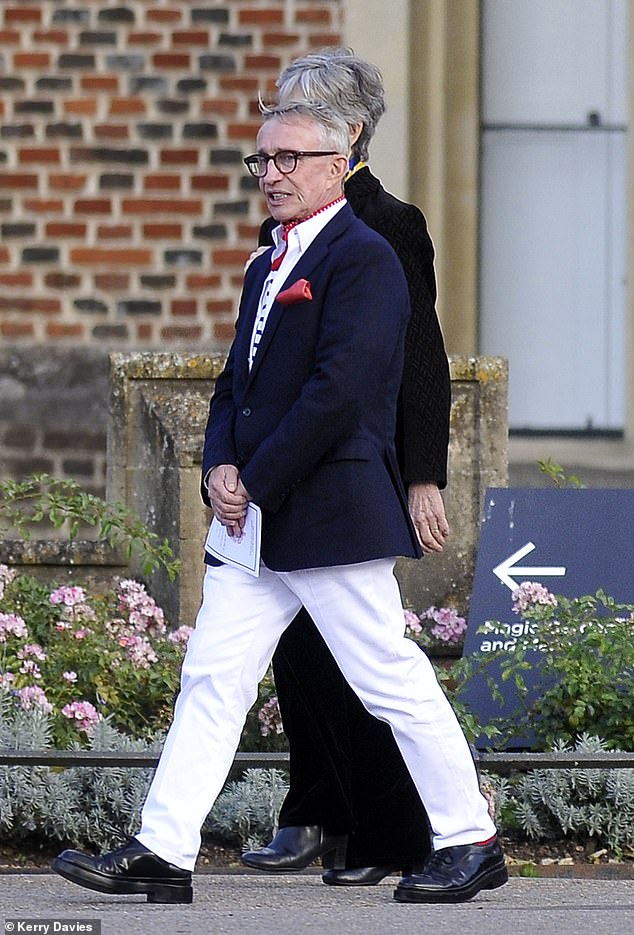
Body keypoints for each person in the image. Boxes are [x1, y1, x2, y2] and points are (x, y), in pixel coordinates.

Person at [51, 101, 506, 906]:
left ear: (342, 161)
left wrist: (252, 476)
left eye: (291, 158)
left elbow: (341, 392)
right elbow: (237, 385)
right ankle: (163, 848)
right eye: (262, 160)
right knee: (212, 677)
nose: (273, 174)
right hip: (254, 521)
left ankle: (469, 837)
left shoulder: (366, 258)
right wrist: (220, 462)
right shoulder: (267, 263)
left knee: (388, 677)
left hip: (328, 514)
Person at [241, 48, 451, 885]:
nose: (276, 154)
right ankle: (314, 808)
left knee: (356, 653)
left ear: (348, 134)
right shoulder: (284, 228)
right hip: (291, 460)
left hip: (358, 460)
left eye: (299, 125)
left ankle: (383, 829)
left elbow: (420, 352)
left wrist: (423, 472)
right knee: (293, 646)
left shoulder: (388, 224)